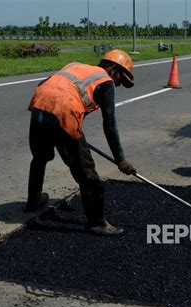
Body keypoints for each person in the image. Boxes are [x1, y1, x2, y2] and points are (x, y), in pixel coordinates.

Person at [25, 49, 136, 236]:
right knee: (88, 174)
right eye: (120, 80)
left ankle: (33, 200)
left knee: (40, 157)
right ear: (114, 70)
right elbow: (109, 124)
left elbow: (50, 85)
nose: (117, 85)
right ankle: (97, 223)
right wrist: (121, 160)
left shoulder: (76, 66)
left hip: (40, 105)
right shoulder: (105, 81)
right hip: (64, 111)